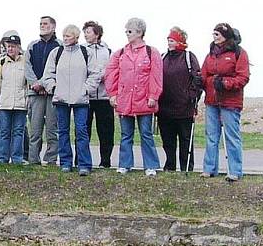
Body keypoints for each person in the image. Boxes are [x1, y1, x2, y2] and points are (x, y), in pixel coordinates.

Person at [41, 25, 102, 176]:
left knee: (81, 131)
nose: (65, 38)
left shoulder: (85, 52)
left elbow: (95, 74)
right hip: (61, 99)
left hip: (80, 99)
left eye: (69, 35)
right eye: (64, 35)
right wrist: (54, 89)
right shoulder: (56, 53)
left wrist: (86, 89)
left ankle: (84, 164)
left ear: (76, 37)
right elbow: (47, 75)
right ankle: (66, 162)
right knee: (63, 131)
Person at [105, 17, 163, 176]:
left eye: (130, 31)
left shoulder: (152, 52)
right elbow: (111, 74)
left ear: (140, 32)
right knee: (125, 134)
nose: (127, 34)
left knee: (146, 134)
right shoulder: (120, 53)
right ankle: (125, 164)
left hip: (144, 100)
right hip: (124, 100)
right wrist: (113, 94)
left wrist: (153, 95)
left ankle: (150, 165)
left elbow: (156, 75)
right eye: (126, 31)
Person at [201, 23, 250, 182]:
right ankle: (209, 169)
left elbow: (243, 77)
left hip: (230, 101)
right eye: (214, 33)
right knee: (211, 135)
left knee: (232, 136)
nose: (214, 36)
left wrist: (225, 84)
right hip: (212, 100)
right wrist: (198, 81)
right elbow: (204, 74)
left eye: (217, 34)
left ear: (226, 36)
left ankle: (235, 171)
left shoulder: (239, 53)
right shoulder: (210, 54)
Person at [158, 27, 202, 172]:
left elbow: (198, 79)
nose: (169, 43)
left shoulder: (189, 57)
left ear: (180, 41)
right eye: (168, 40)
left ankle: (186, 168)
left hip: (185, 108)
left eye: (172, 40)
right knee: (168, 140)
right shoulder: (163, 57)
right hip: (165, 107)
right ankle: (169, 166)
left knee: (185, 140)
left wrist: (191, 96)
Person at [24, 16, 61, 166]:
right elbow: (27, 67)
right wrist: (35, 84)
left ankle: (51, 159)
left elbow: (60, 69)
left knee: (52, 129)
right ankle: (34, 159)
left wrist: (47, 85)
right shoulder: (33, 46)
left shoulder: (60, 46)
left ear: (53, 27)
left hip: (52, 93)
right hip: (35, 93)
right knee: (35, 129)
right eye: (40, 24)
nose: (42, 26)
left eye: (45, 24)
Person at [0, 31, 29, 165]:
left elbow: (28, 83)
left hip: (20, 104)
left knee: (18, 132)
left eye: (13, 46)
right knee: (4, 132)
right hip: (4, 104)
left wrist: (27, 102)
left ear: (19, 48)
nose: (10, 49)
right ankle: (2, 158)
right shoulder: (1, 63)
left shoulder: (25, 62)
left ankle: (17, 158)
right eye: (9, 46)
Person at [82, 21, 115, 168]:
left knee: (106, 130)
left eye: (88, 32)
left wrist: (104, 76)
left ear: (97, 33)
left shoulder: (107, 51)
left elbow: (113, 70)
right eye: (85, 32)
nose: (86, 34)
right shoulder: (82, 50)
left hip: (104, 96)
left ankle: (105, 161)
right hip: (86, 96)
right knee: (83, 130)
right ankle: (82, 160)